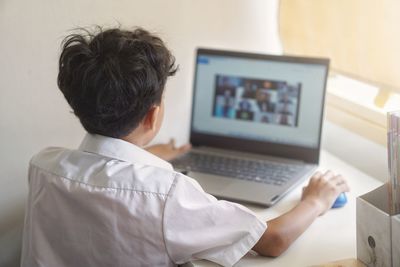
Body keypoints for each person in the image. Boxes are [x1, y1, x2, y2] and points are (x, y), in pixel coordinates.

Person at [21, 26, 350, 267]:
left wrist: (144, 155)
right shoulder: (166, 193)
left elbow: (103, 176)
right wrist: (315, 201)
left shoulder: (43, 165)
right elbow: (271, 240)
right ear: (153, 116)